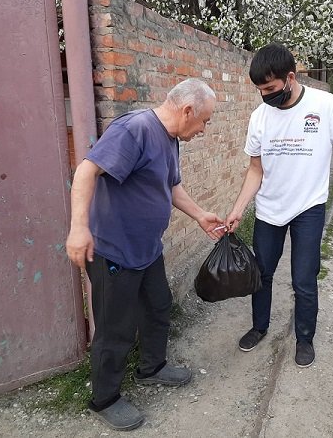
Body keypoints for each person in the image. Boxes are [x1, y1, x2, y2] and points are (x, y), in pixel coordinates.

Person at [66, 78, 224, 431]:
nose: (204, 129)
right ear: (187, 111)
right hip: (114, 251)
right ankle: (104, 398)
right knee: (115, 328)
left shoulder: (169, 139)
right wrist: (79, 227)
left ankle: (152, 368)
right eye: (204, 121)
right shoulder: (134, 129)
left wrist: (199, 215)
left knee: (158, 306)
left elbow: (170, 185)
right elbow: (87, 170)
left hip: (147, 249)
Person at [225, 43, 333, 368]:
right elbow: (255, 168)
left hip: (309, 209)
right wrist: (239, 207)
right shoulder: (259, 118)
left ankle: (304, 338)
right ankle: (259, 326)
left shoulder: (324, 105)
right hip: (270, 210)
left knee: (303, 278)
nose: (265, 95)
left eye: (270, 88)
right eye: (260, 90)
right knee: (263, 273)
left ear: (290, 77)